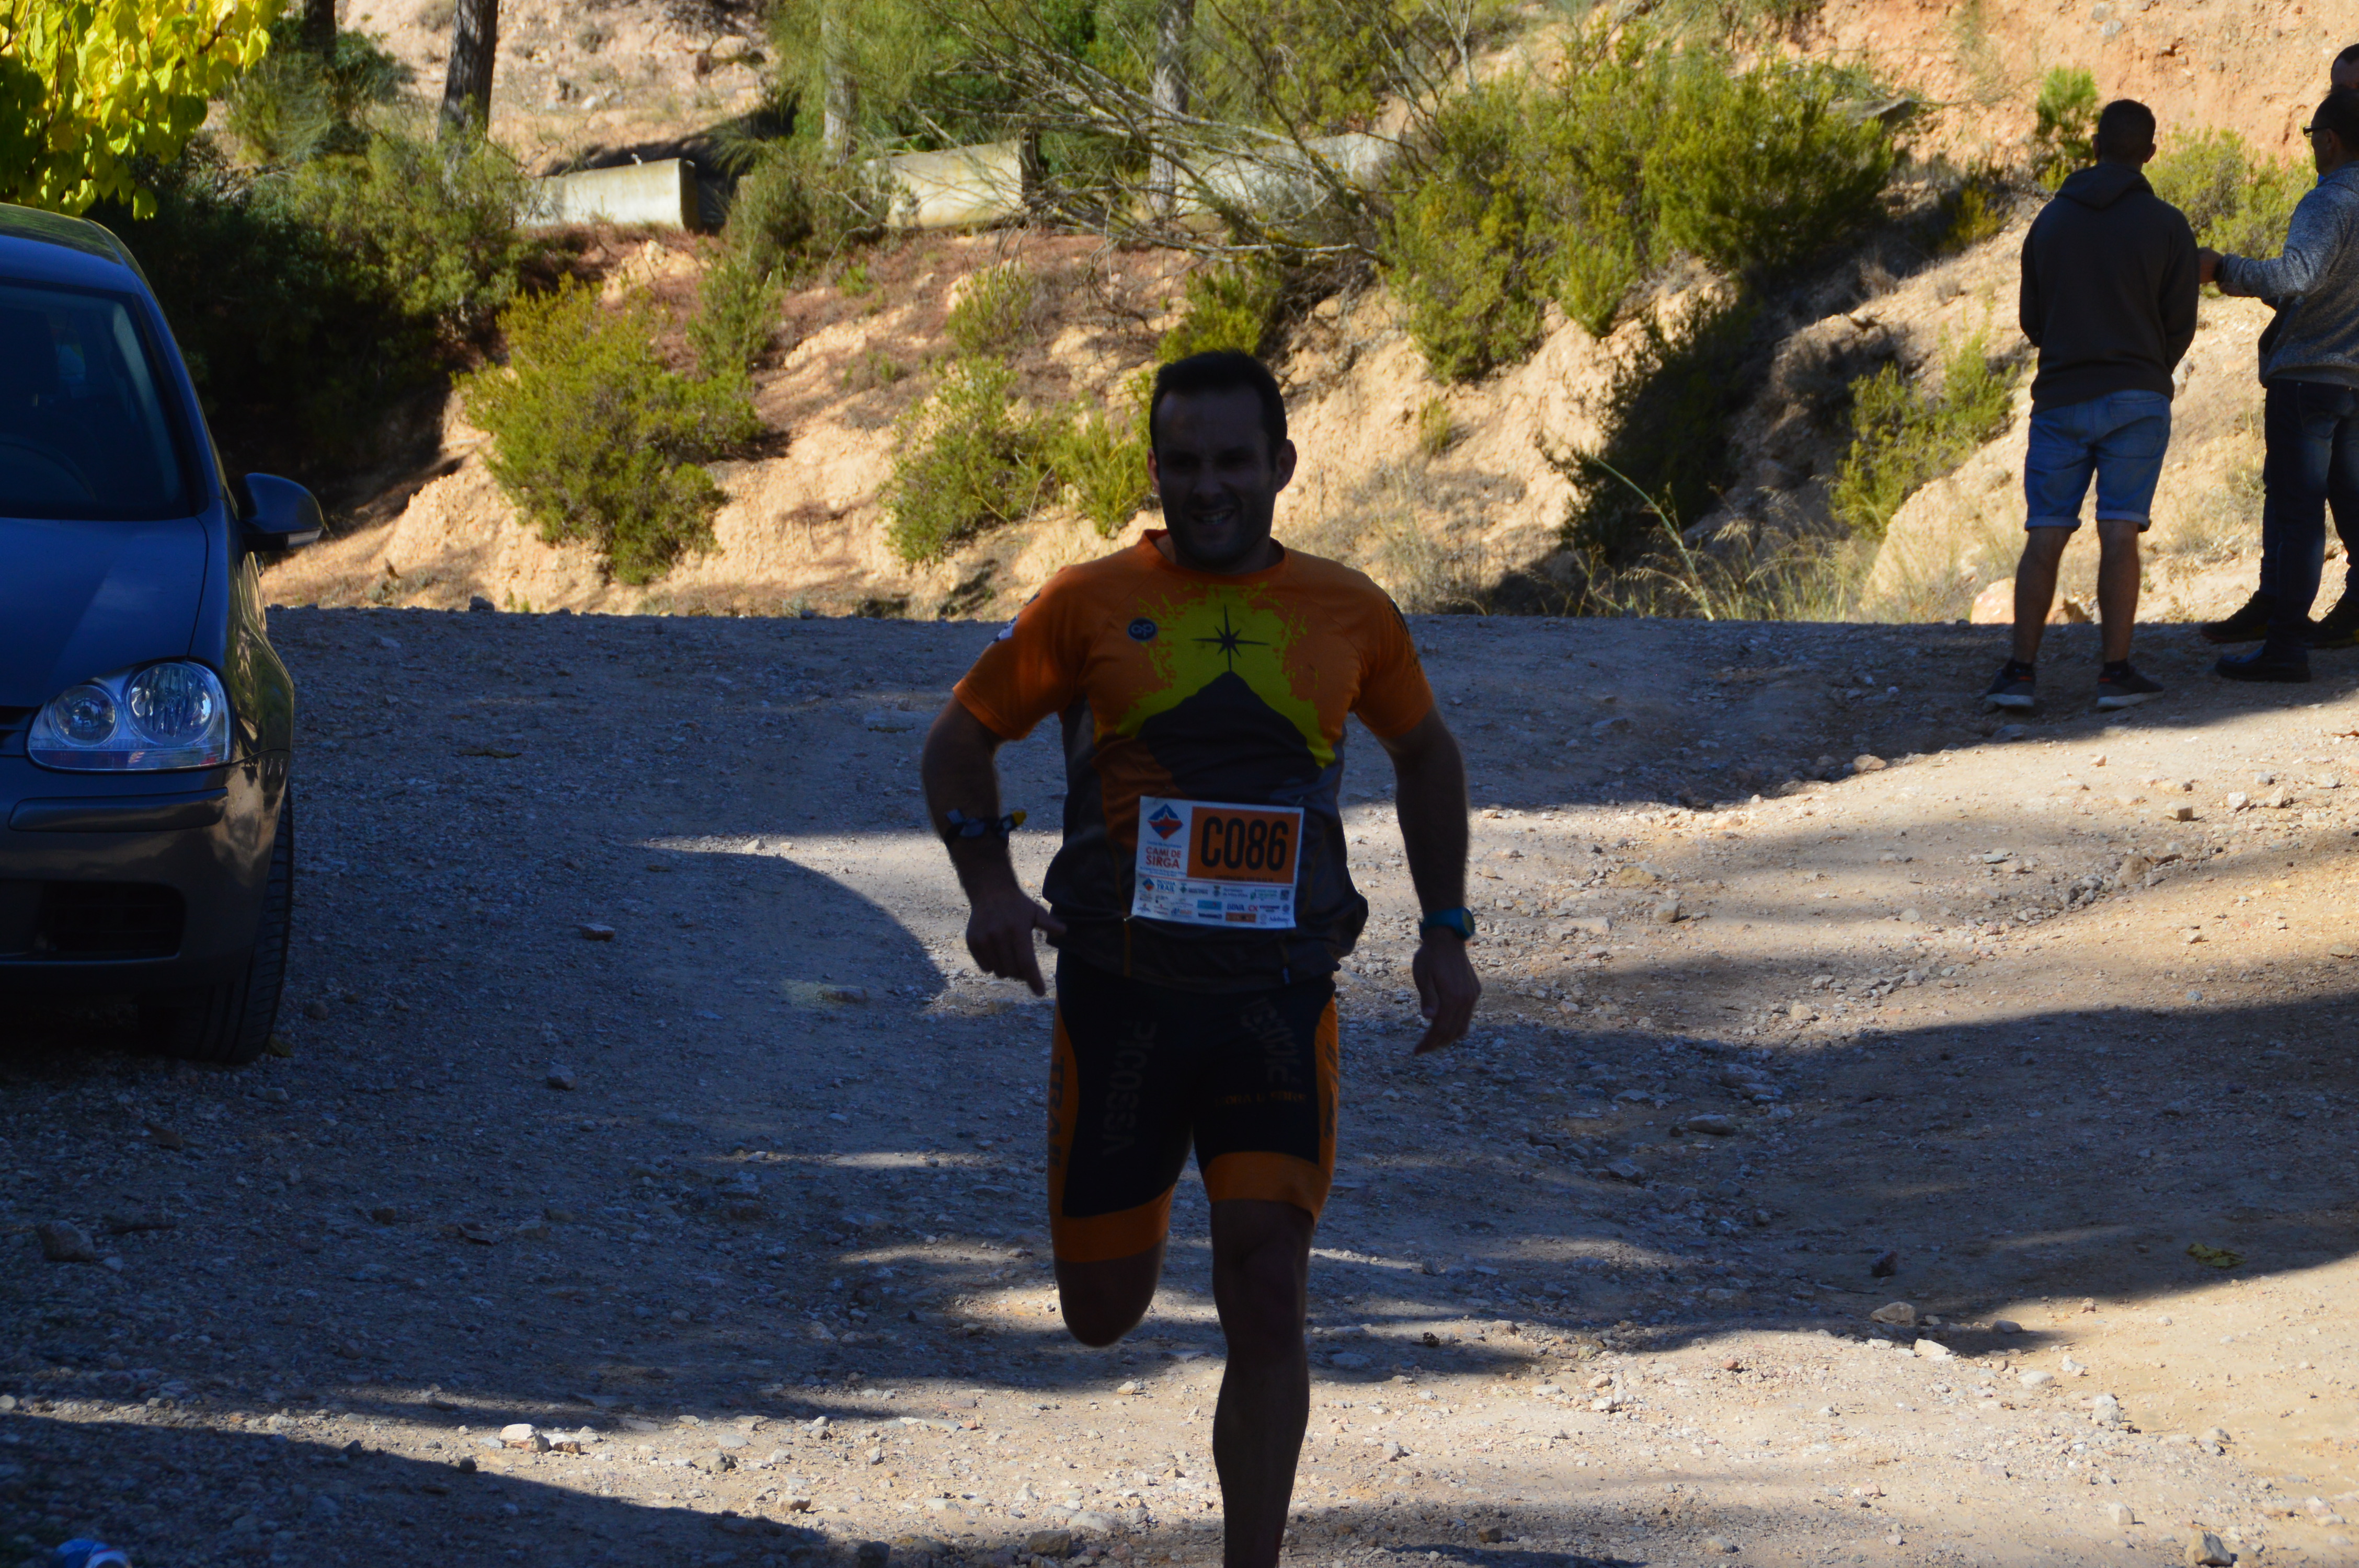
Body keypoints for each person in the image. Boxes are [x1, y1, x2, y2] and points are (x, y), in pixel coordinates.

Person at [919, 350, 1481, 1568]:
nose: (1209, 486)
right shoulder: (1086, 602)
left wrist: (1445, 928)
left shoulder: (1347, 610)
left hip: (1276, 1000)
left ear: (1281, 465)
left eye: (1233, 460)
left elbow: (1426, 754)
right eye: (1184, 463)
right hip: (1119, 1001)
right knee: (1100, 1313)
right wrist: (989, 887)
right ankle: (1153, 1200)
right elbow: (958, 741)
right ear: (1156, 470)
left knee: (1268, 1291)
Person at [1985, 98, 2197, 713]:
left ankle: (2020, 674)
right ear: (2149, 153)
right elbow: (2181, 322)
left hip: (2061, 397)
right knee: (2120, 532)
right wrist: (2147, 364)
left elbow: (2033, 320)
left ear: (2095, 146)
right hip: (2138, 397)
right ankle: (2115, 675)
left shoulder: (2050, 222)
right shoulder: (2168, 225)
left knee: (2045, 533)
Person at [2202, 68, 2359, 656]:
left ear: (2330, 140)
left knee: (2298, 513)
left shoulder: (2329, 199)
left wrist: (2225, 268)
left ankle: (2284, 645)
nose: (2312, 145)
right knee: (2350, 507)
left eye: (2313, 135)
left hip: (2307, 380)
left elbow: (2299, 275)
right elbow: (2326, 288)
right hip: (2351, 380)